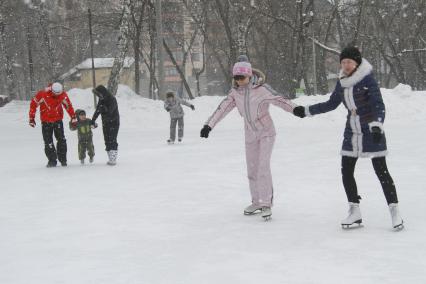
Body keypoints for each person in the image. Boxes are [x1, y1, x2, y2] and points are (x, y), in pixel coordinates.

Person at [293, 46, 404, 230]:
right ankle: (354, 211)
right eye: (343, 62)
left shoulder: (367, 80)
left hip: (371, 129)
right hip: (351, 132)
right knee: (346, 171)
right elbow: (331, 104)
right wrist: (306, 111)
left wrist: (377, 124)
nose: (345, 65)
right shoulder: (342, 82)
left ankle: (394, 211)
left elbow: (378, 104)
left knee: (381, 171)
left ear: (357, 63)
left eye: (349, 62)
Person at [200, 55, 298, 220]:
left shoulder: (262, 89)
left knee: (263, 167)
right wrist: (208, 125)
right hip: (250, 134)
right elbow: (222, 109)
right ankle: (256, 202)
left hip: (266, 132)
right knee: (252, 169)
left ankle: (266, 203)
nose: (239, 81)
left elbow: (280, 100)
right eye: (236, 78)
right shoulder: (235, 93)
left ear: (249, 75)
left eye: (242, 77)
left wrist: (296, 109)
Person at [29, 82, 76, 167]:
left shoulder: (63, 95)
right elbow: (33, 105)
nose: (58, 95)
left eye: (59, 94)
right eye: (56, 94)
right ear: (52, 90)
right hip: (46, 122)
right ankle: (52, 160)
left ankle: (63, 159)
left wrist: (73, 117)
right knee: (48, 142)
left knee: (61, 140)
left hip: (58, 120)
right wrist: (31, 118)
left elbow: (68, 105)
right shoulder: (42, 94)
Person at [91, 85, 120, 166]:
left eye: (99, 94)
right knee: (107, 139)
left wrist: (104, 108)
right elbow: (97, 110)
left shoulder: (112, 99)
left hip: (114, 122)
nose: (99, 96)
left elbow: (110, 112)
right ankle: (110, 158)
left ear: (103, 92)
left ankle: (113, 159)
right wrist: (93, 120)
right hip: (105, 123)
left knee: (112, 139)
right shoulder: (101, 100)